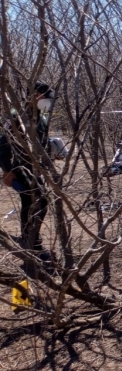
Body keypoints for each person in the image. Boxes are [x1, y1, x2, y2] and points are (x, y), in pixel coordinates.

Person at [0, 82, 55, 260]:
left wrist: (51, 155)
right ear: (35, 95)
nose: (47, 100)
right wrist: (7, 170)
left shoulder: (43, 115)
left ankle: (29, 239)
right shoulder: (17, 115)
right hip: (20, 166)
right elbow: (2, 142)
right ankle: (31, 241)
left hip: (37, 167)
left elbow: (42, 139)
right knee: (39, 201)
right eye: (45, 96)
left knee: (32, 201)